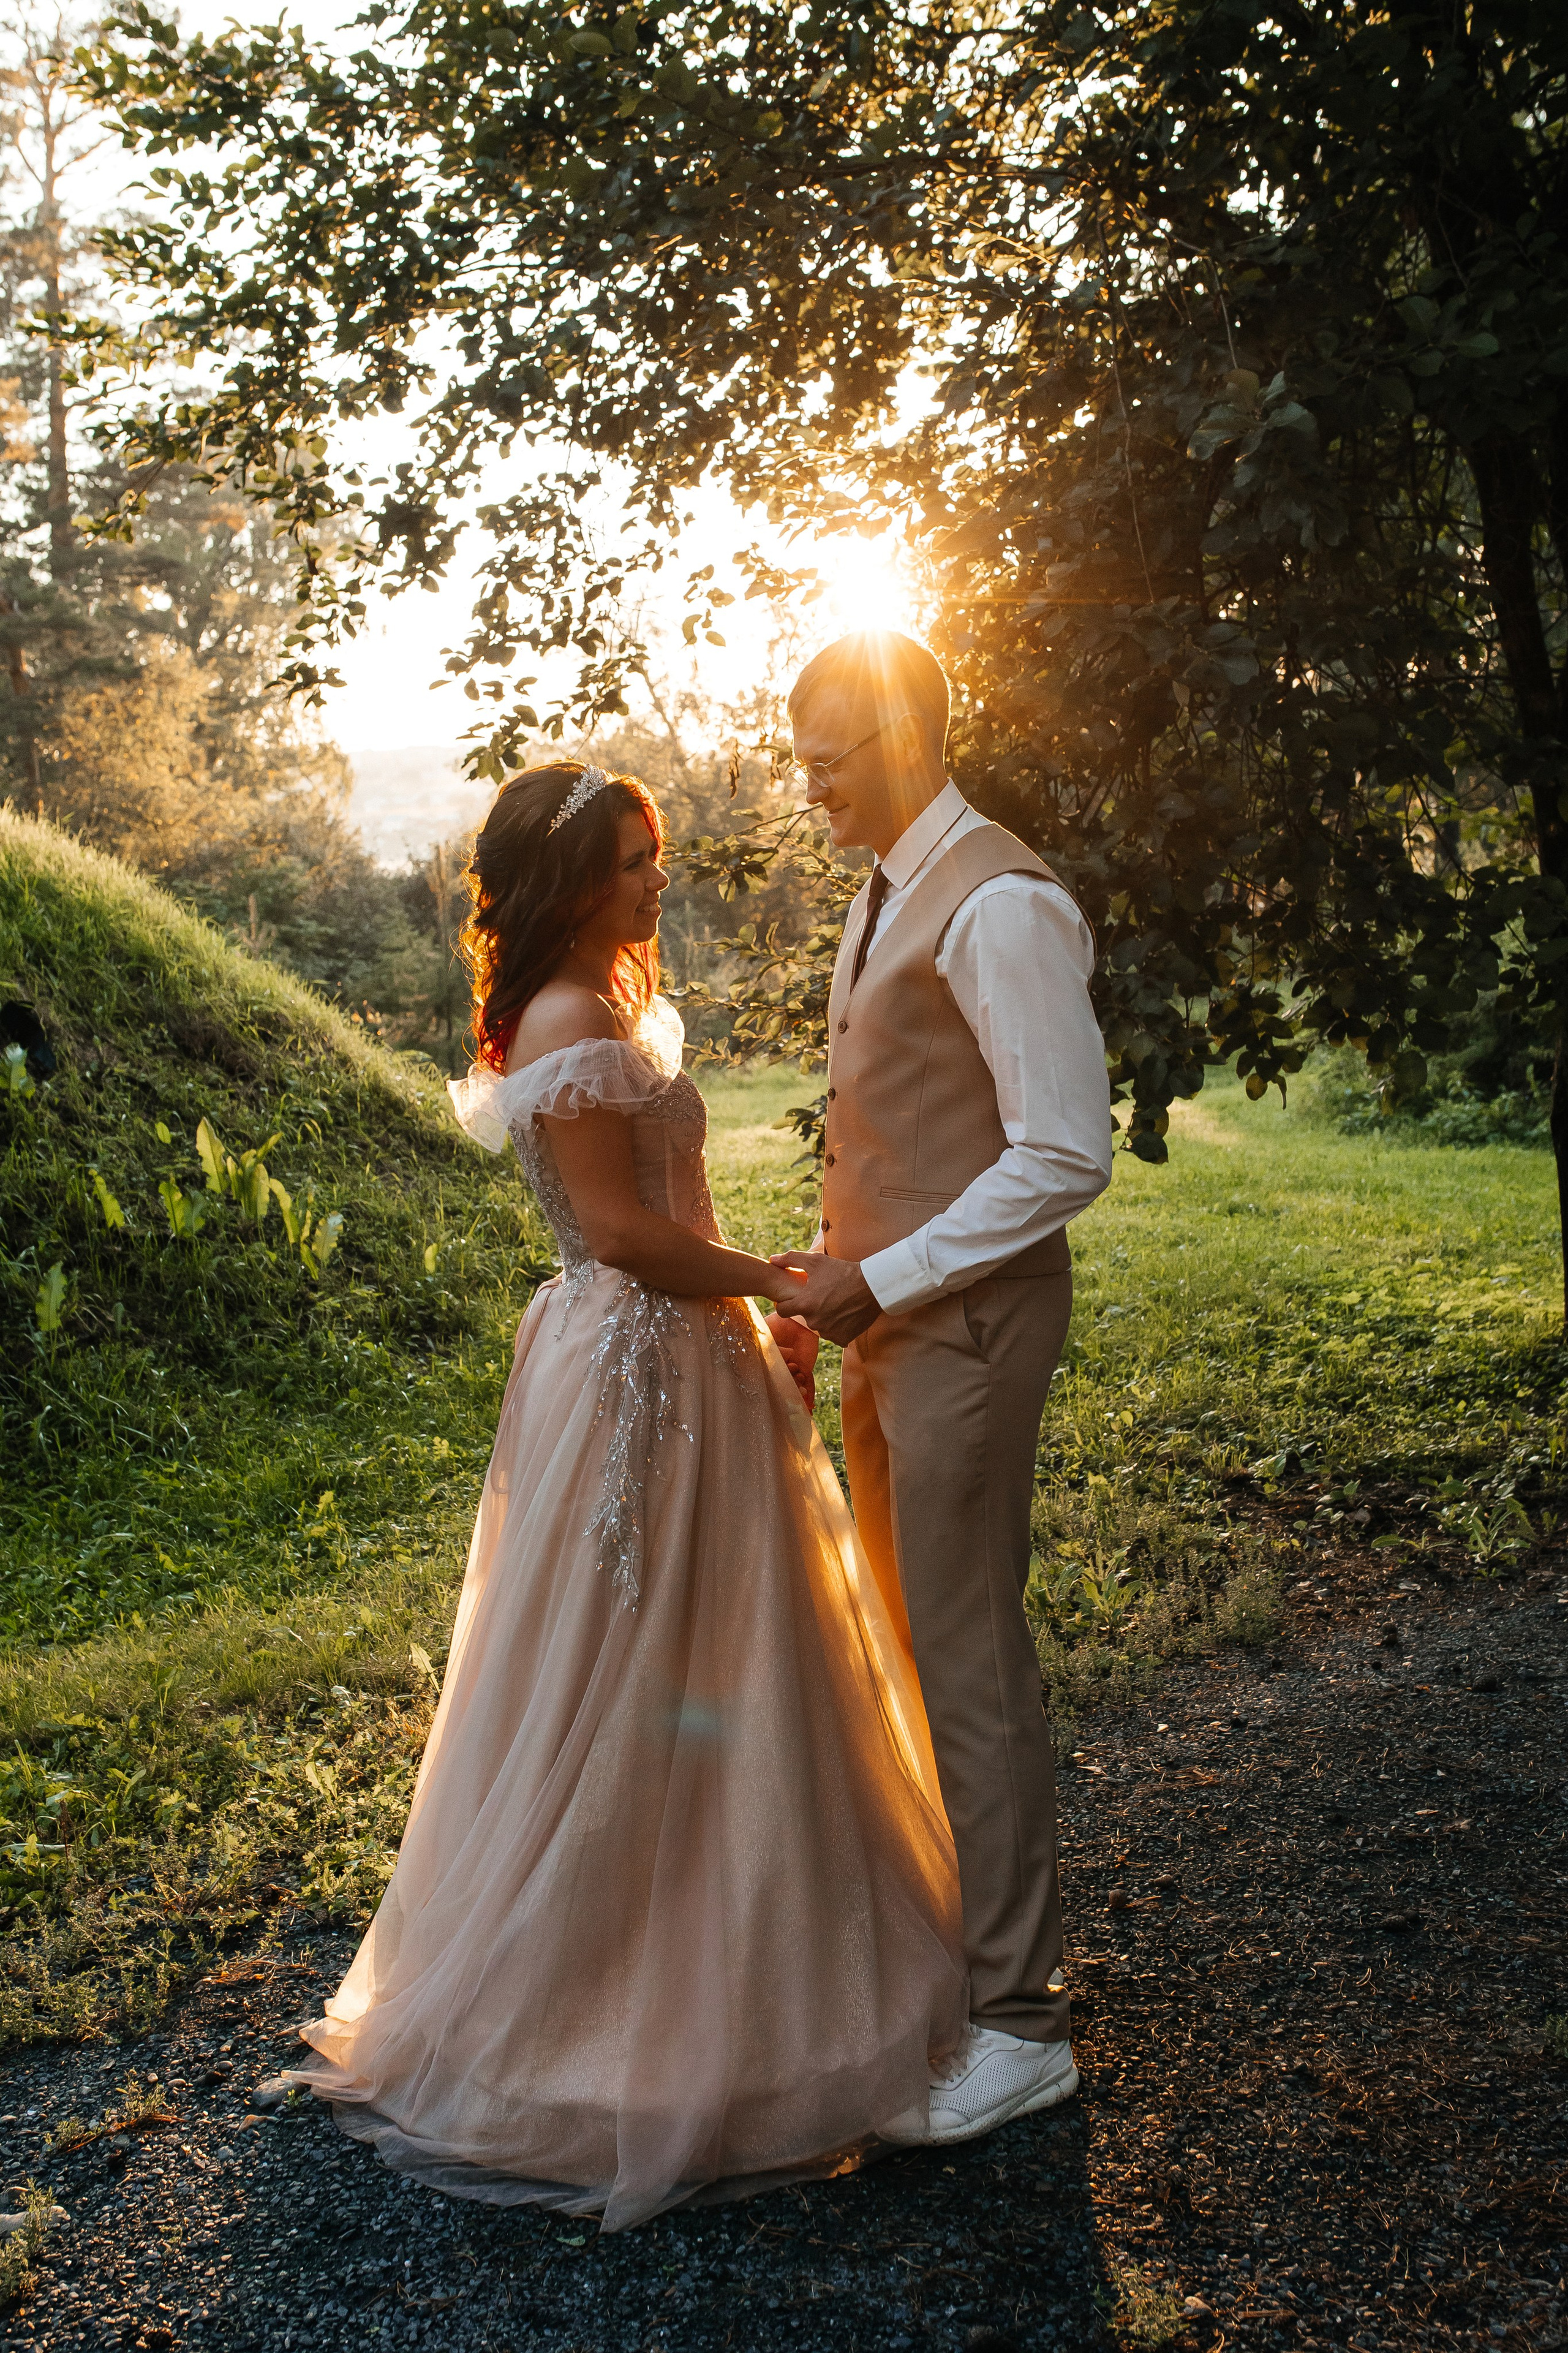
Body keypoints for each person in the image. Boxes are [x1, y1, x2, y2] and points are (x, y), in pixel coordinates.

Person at [282, 760, 967, 2230]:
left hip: (684, 1349)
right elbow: (615, 1231)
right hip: (637, 1359)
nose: (660, 878)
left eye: (656, 854)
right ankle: (591, 2005)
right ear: (572, 879)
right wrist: (770, 1281)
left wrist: (748, 1301)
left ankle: (753, 1952)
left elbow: (666, 1215)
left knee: (720, 1647)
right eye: (635, 860)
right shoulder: (566, 1019)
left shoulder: (606, 1004)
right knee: (627, 1655)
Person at [772, 630, 1112, 2147]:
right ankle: (962, 1958)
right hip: (895, 1323)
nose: (809, 783)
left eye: (829, 754)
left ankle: (1023, 2023)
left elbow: (1064, 1154)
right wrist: (838, 1273)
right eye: (799, 757)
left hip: (964, 1330)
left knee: (968, 1660)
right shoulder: (885, 885)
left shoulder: (1000, 902)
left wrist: (887, 1275)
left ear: (905, 733)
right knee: (908, 1641)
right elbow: (910, 1124)